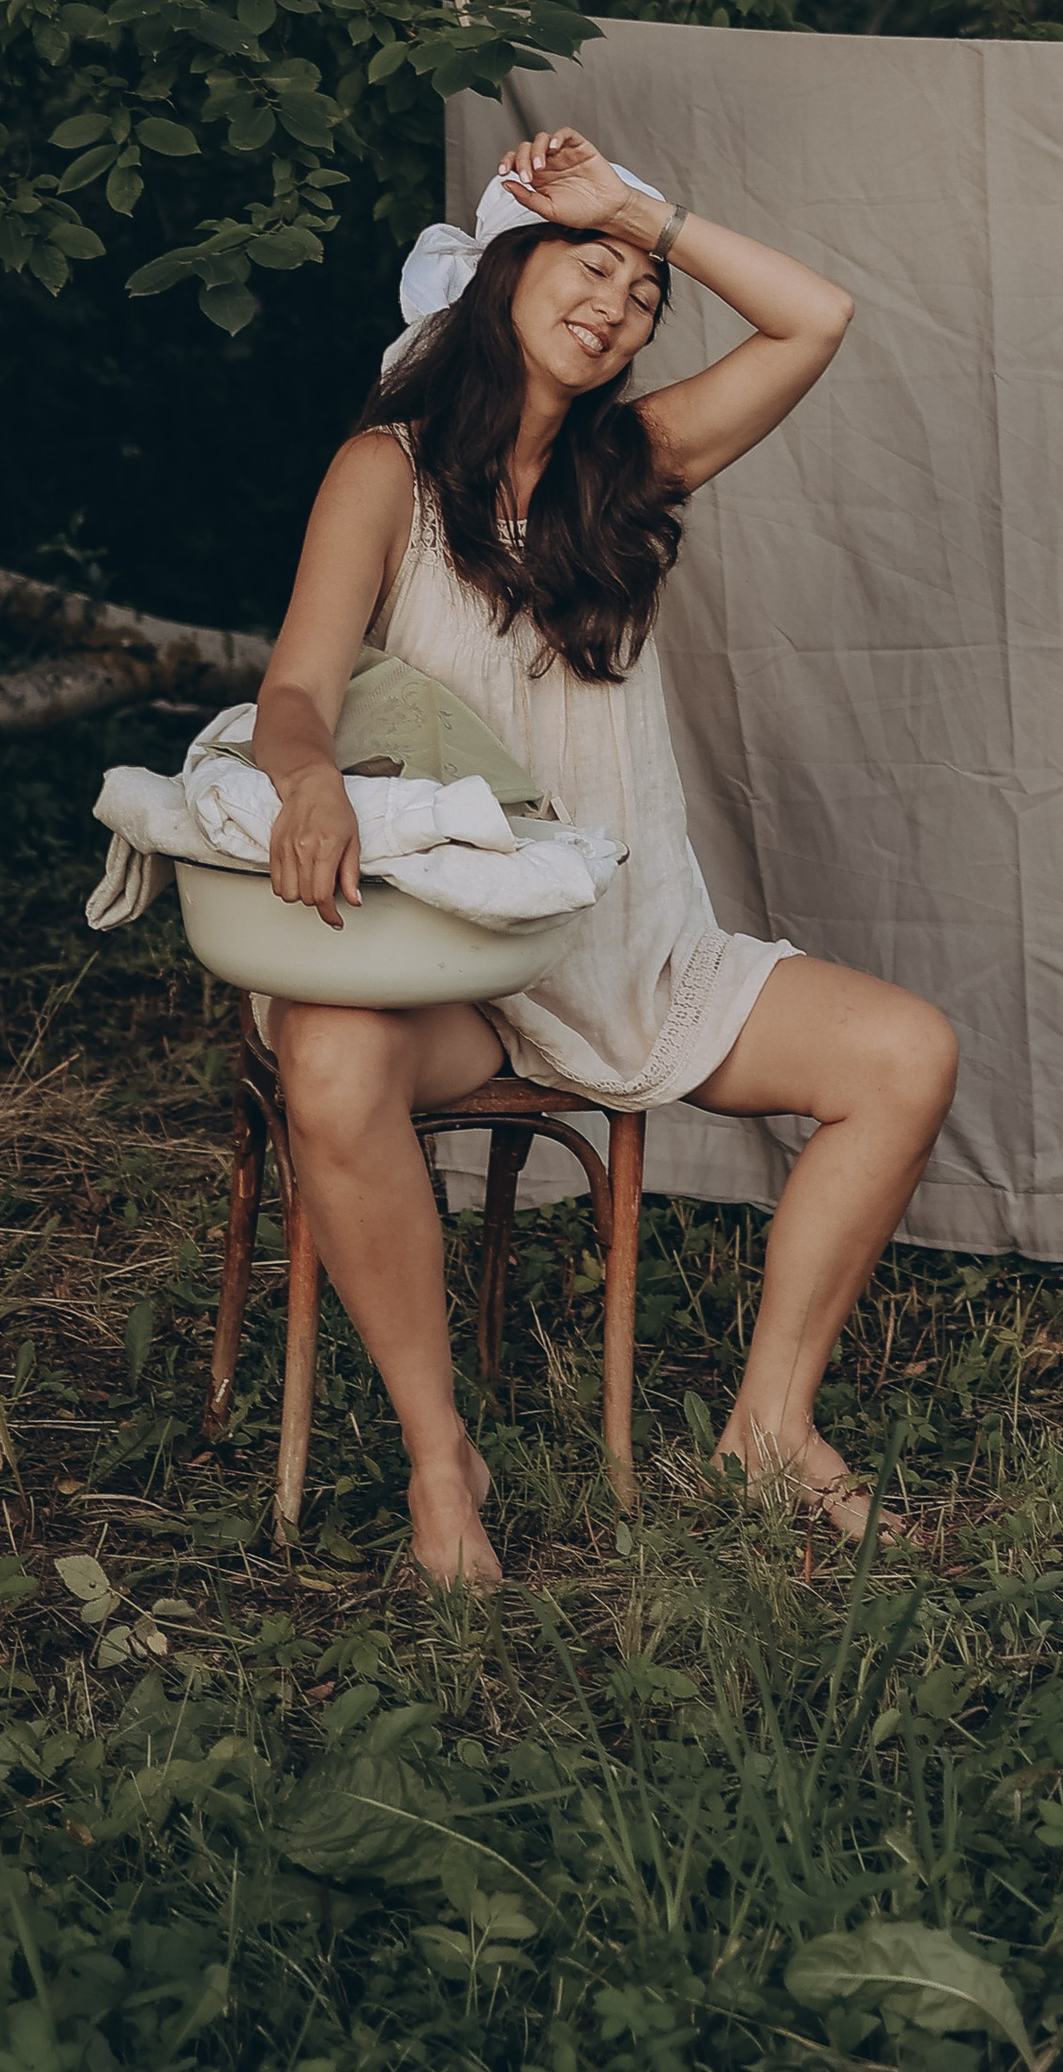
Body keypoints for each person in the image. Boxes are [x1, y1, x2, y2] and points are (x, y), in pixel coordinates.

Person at [250, 125, 957, 1586]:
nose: (620, 305)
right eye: (589, 266)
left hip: (626, 943)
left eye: (643, 295)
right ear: (503, 271)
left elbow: (815, 316)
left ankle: (770, 1430)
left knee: (905, 1056)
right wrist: (305, 776)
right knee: (327, 1055)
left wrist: (635, 212)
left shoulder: (633, 460)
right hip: (448, 950)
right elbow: (299, 688)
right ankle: (445, 1457)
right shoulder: (381, 472)